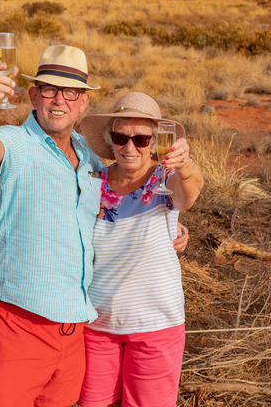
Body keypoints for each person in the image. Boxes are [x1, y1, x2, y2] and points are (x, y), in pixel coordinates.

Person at [0, 45, 188, 407]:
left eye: (70, 92)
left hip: (74, 331)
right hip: (18, 321)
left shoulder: (89, 159)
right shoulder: (14, 142)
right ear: (34, 95)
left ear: (82, 103)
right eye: (49, 89)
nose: (58, 101)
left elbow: (119, 205)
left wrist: (170, 229)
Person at [77, 92, 204, 407]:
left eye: (142, 139)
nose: (130, 147)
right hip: (97, 326)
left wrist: (186, 165)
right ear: (110, 140)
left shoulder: (166, 178)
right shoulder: (93, 181)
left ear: (155, 142)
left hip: (156, 326)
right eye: (121, 137)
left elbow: (190, 193)